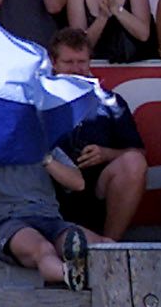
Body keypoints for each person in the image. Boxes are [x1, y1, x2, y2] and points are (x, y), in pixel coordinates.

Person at [46, 31, 149, 242]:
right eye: (69, 62)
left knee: (134, 162)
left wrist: (106, 154)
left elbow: (138, 152)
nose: (76, 69)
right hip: (47, 193)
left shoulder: (111, 101)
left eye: (81, 62)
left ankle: (109, 249)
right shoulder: (37, 101)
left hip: (97, 191)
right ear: (53, 63)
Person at [0, 148, 96, 290]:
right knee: (43, 249)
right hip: (8, 221)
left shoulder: (43, 142)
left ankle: (84, 269)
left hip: (50, 219)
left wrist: (45, 159)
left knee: (99, 243)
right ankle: (69, 275)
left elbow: (78, 183)